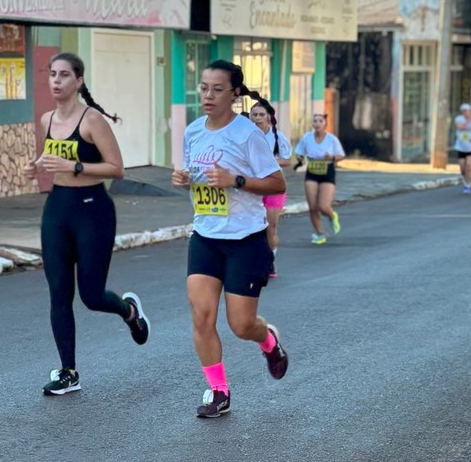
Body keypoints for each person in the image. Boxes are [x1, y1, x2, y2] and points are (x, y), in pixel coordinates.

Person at [23, 52, 149, 396]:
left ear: (78, 81)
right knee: (59, 293)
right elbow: (51, 156)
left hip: (93, 210)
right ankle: (68, 371)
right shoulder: (47, 118)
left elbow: (117, 168)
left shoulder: (92, 121)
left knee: (91, 296)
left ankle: (129, 310)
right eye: (52, 74)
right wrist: (36, 167)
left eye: (64, 75)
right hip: (57, 210)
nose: (56, 81)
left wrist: (75, 166)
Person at [171, 61, 289, 419]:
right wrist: (185, 179)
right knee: (202, 315)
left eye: (217, 89)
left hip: (245, 239)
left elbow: (277, 184)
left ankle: (267, 339)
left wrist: (235, 180)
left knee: (241, 325)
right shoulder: (193, 132)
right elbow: (200, 177)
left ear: (234, 94)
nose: (208, 95)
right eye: (203, 88)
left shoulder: (247, 134)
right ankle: (218, 391)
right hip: (206, 236)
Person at [248, 96, 292, 276]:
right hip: (252, 186)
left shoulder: (276, 136)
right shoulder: (246, 135)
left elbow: (287, 160)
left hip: (274, 186)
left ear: (268, 117)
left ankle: (270, 261)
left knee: (270, 226)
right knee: (253, 226)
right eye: (254, 114)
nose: (257, 118)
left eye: (261, 114)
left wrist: (271, 162)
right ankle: (252, 261)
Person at [295, 112, 346, 244]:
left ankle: (331, 215)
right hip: (312, 171)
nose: (317, 123)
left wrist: (333, 158)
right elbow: (299, 153)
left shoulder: (332, 139)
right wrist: (300, 158)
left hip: (327, 171)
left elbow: (341, 155)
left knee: (323, 206)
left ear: (325, 124)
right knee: (312, 207)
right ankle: (319, 234)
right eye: (315, 121)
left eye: (320, 121)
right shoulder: (307, 138)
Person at [453, 104, 471, 193]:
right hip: (461, 147)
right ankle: (464, 177)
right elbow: (461, 127)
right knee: (462, 168)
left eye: (467, 110)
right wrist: (468, 120)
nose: (466, 112)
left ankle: (468, 185)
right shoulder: (459, 119)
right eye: (464, 111)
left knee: (469, 166)